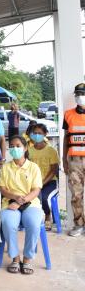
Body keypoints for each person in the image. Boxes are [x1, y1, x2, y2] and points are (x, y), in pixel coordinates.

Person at [0, 136, 43, 275]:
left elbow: (36, 190)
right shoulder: (6, 167)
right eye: (12, 146)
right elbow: (3, 190)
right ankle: (15, 258)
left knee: (34, 223)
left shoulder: (33, 167)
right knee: (8, 223)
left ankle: (28, 259)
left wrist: (21, 202)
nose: (15, 148)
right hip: (10, 202)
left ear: (25, 148)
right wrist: (15, 198)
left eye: (18, 145)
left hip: (30, 203)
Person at [63, 83, 85, 237]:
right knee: (76, 194)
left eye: (82, 93)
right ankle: (79, 224)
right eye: (78, 94)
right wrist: (64, 160)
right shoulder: (68, 114)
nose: (80, 96)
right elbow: (66, 138)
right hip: (74, 160)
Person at [28, 124, 59, 231]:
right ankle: (30, 220)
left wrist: (42, 183)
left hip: (50, 182)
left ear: (45, 134)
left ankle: (47, 215)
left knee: (44, 198)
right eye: (35, 133)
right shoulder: (29, 151)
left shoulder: (51, 151)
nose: (37, 135)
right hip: (33, 183)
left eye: (40, 133)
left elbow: (54, 170)